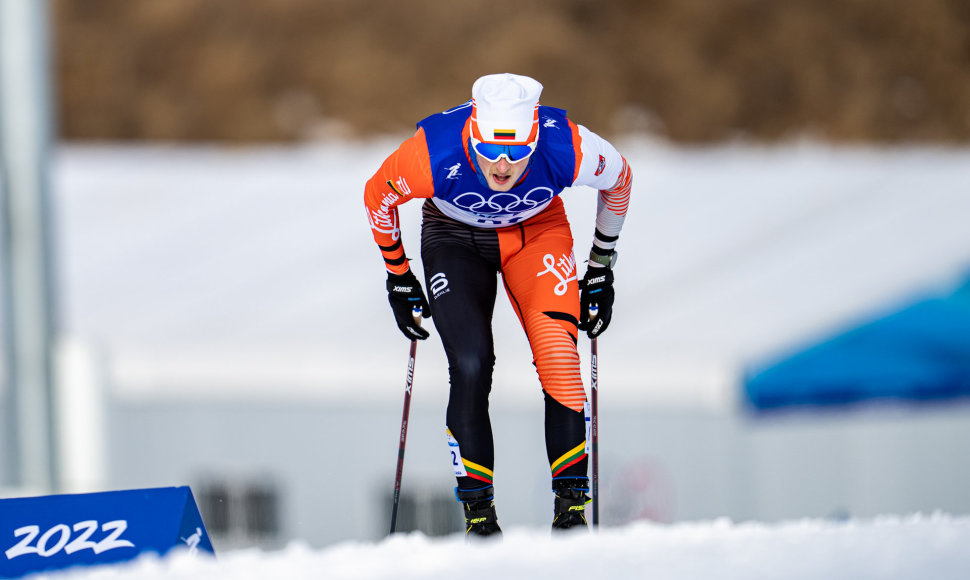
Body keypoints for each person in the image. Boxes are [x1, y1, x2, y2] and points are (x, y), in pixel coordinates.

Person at [364, 73, 631, 536]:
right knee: (470, 364)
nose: (503, 166)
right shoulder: (432, 152)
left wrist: (602, 263)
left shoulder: (566, 145)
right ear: (473, 135)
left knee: (558, 356)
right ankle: (479, 518)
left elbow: (620, 180)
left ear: (535, 141)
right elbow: (378, 197)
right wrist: (399, 275)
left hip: (536, 232)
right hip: (454, 238)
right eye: (490, 152)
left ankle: (571, 512)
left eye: (517, 153)